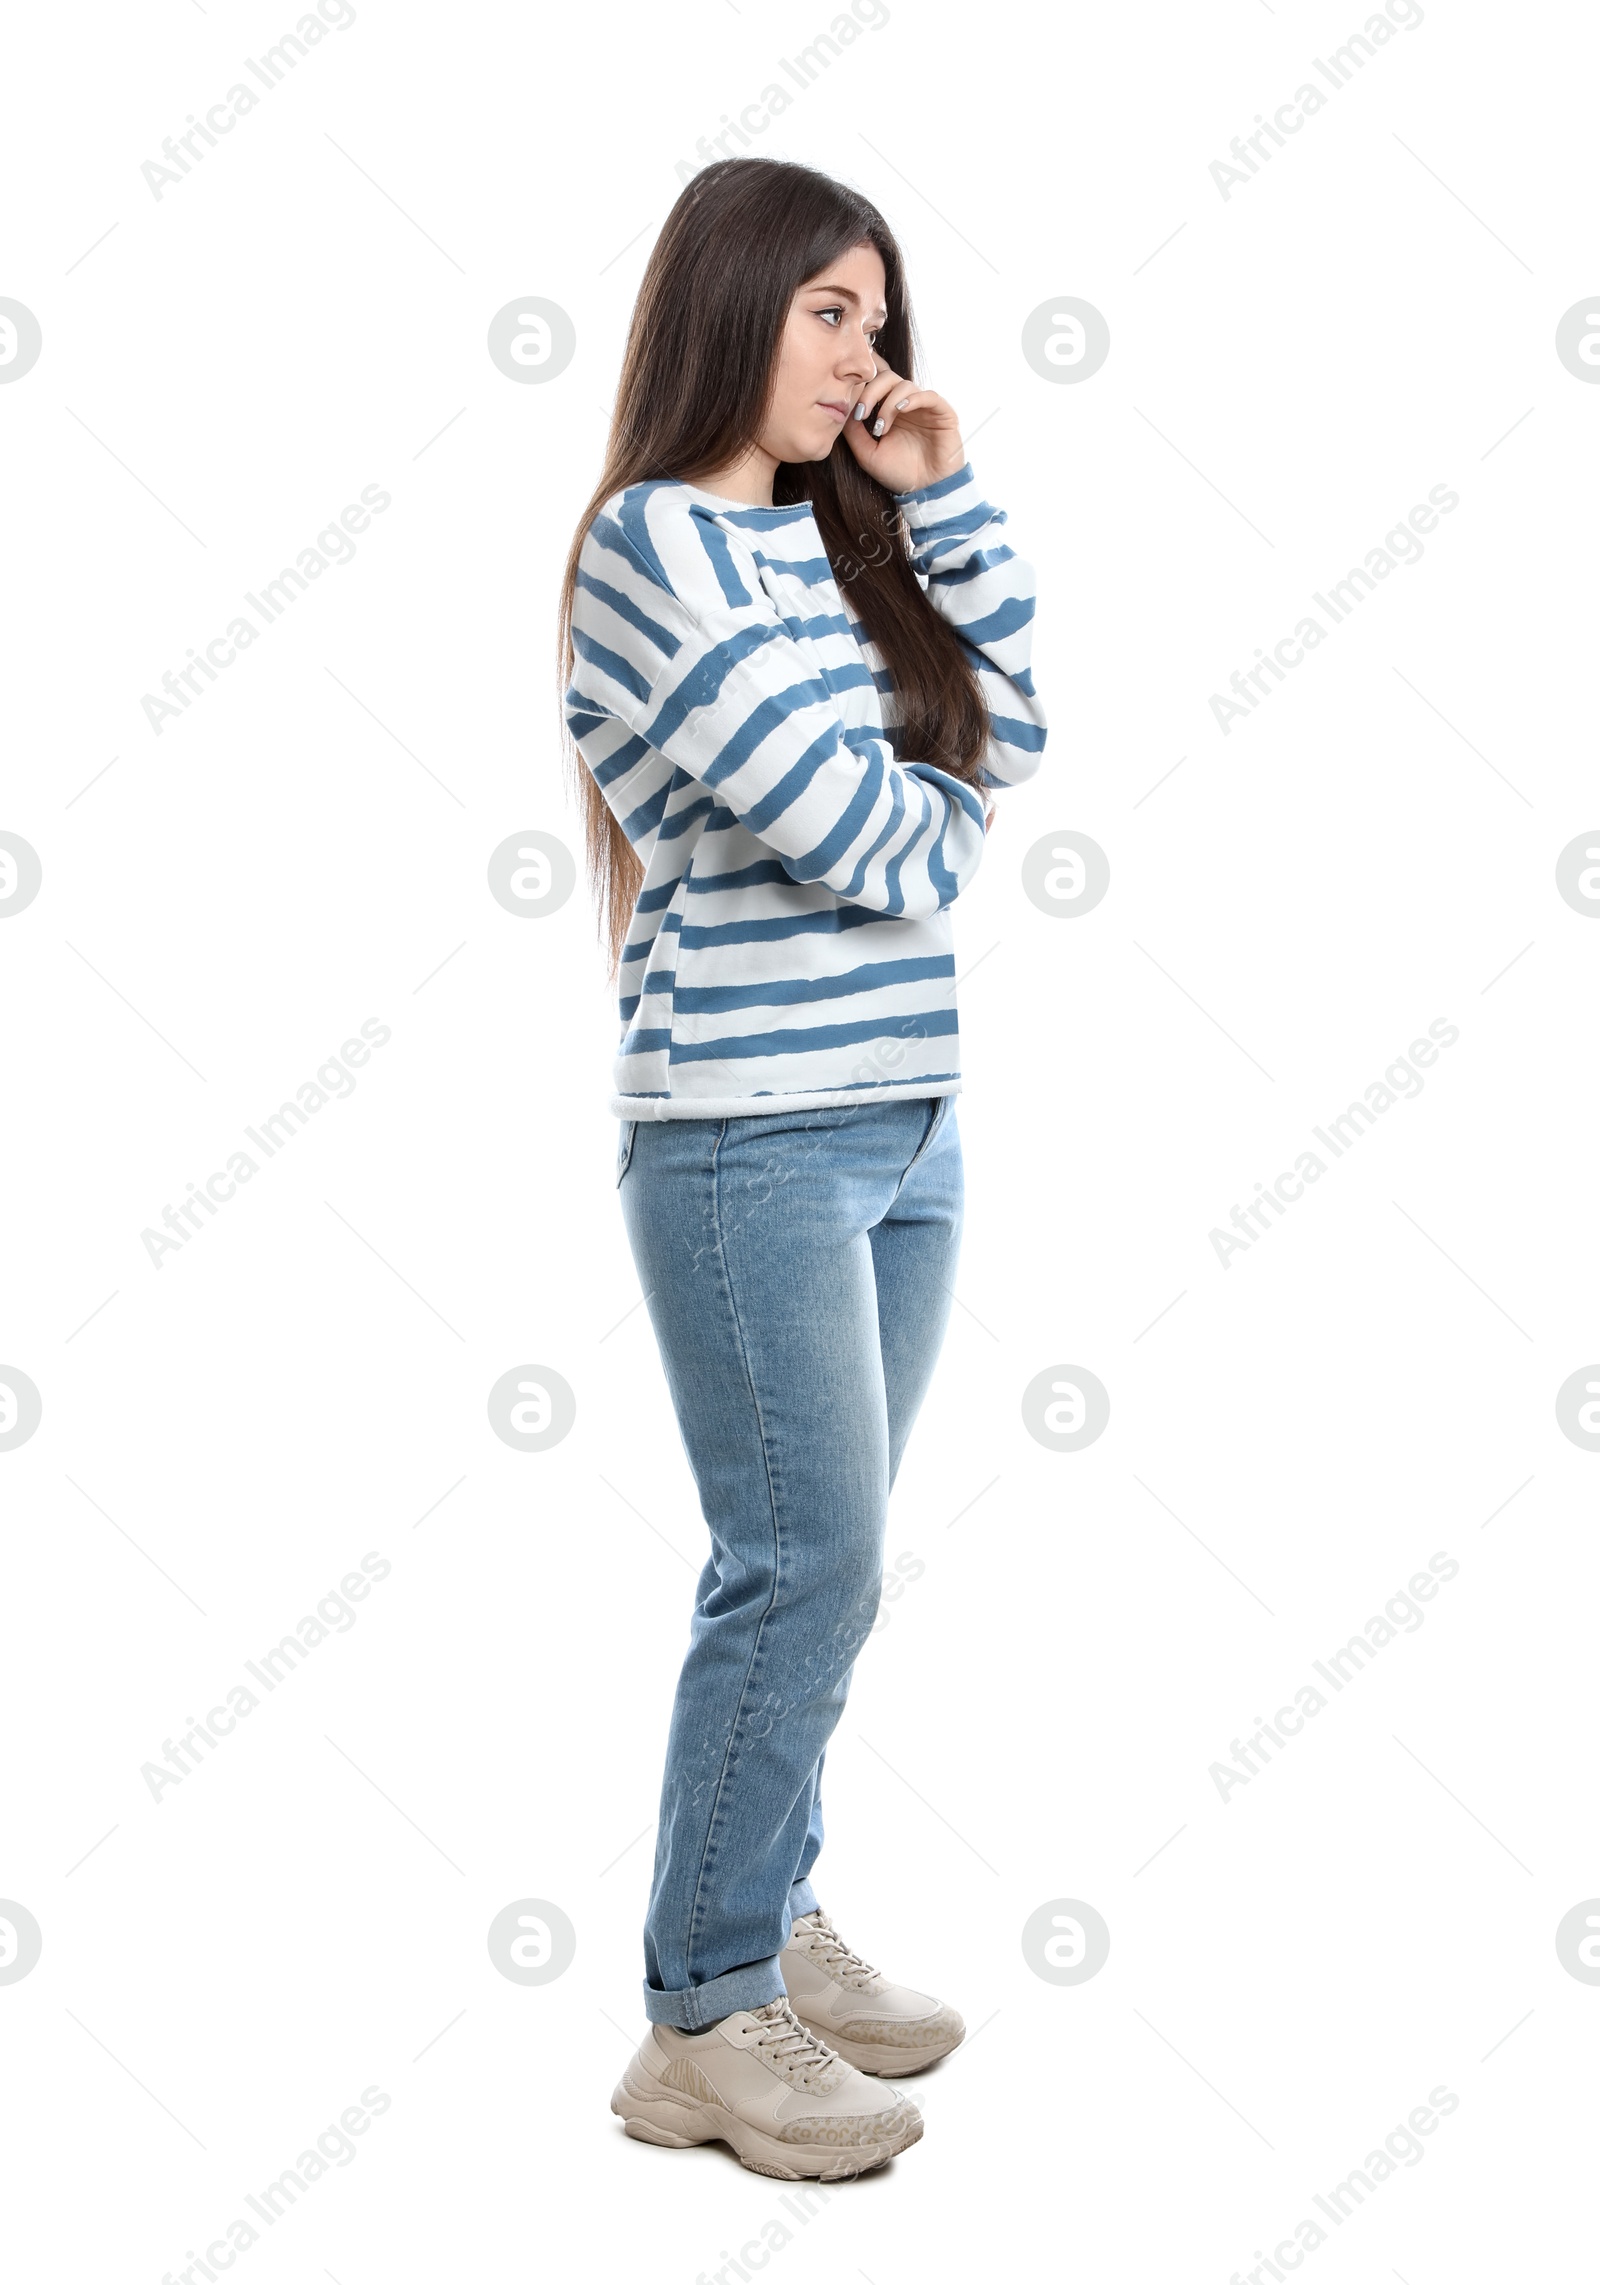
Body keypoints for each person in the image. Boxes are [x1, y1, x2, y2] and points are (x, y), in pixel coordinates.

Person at [558, 154, 1046, 2179]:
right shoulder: (650, 546)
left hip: (903, 1123)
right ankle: (700, 2013)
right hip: (746, 1141)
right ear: (726, 308)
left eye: (876, 315)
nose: (861, 353)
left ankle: (764, 1915)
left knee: (825, 1579)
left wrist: (940, 508)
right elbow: (882, 844)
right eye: (824, 309)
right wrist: (932, 808)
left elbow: (1008, 716)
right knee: (797, 1566)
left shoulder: (851, 552)